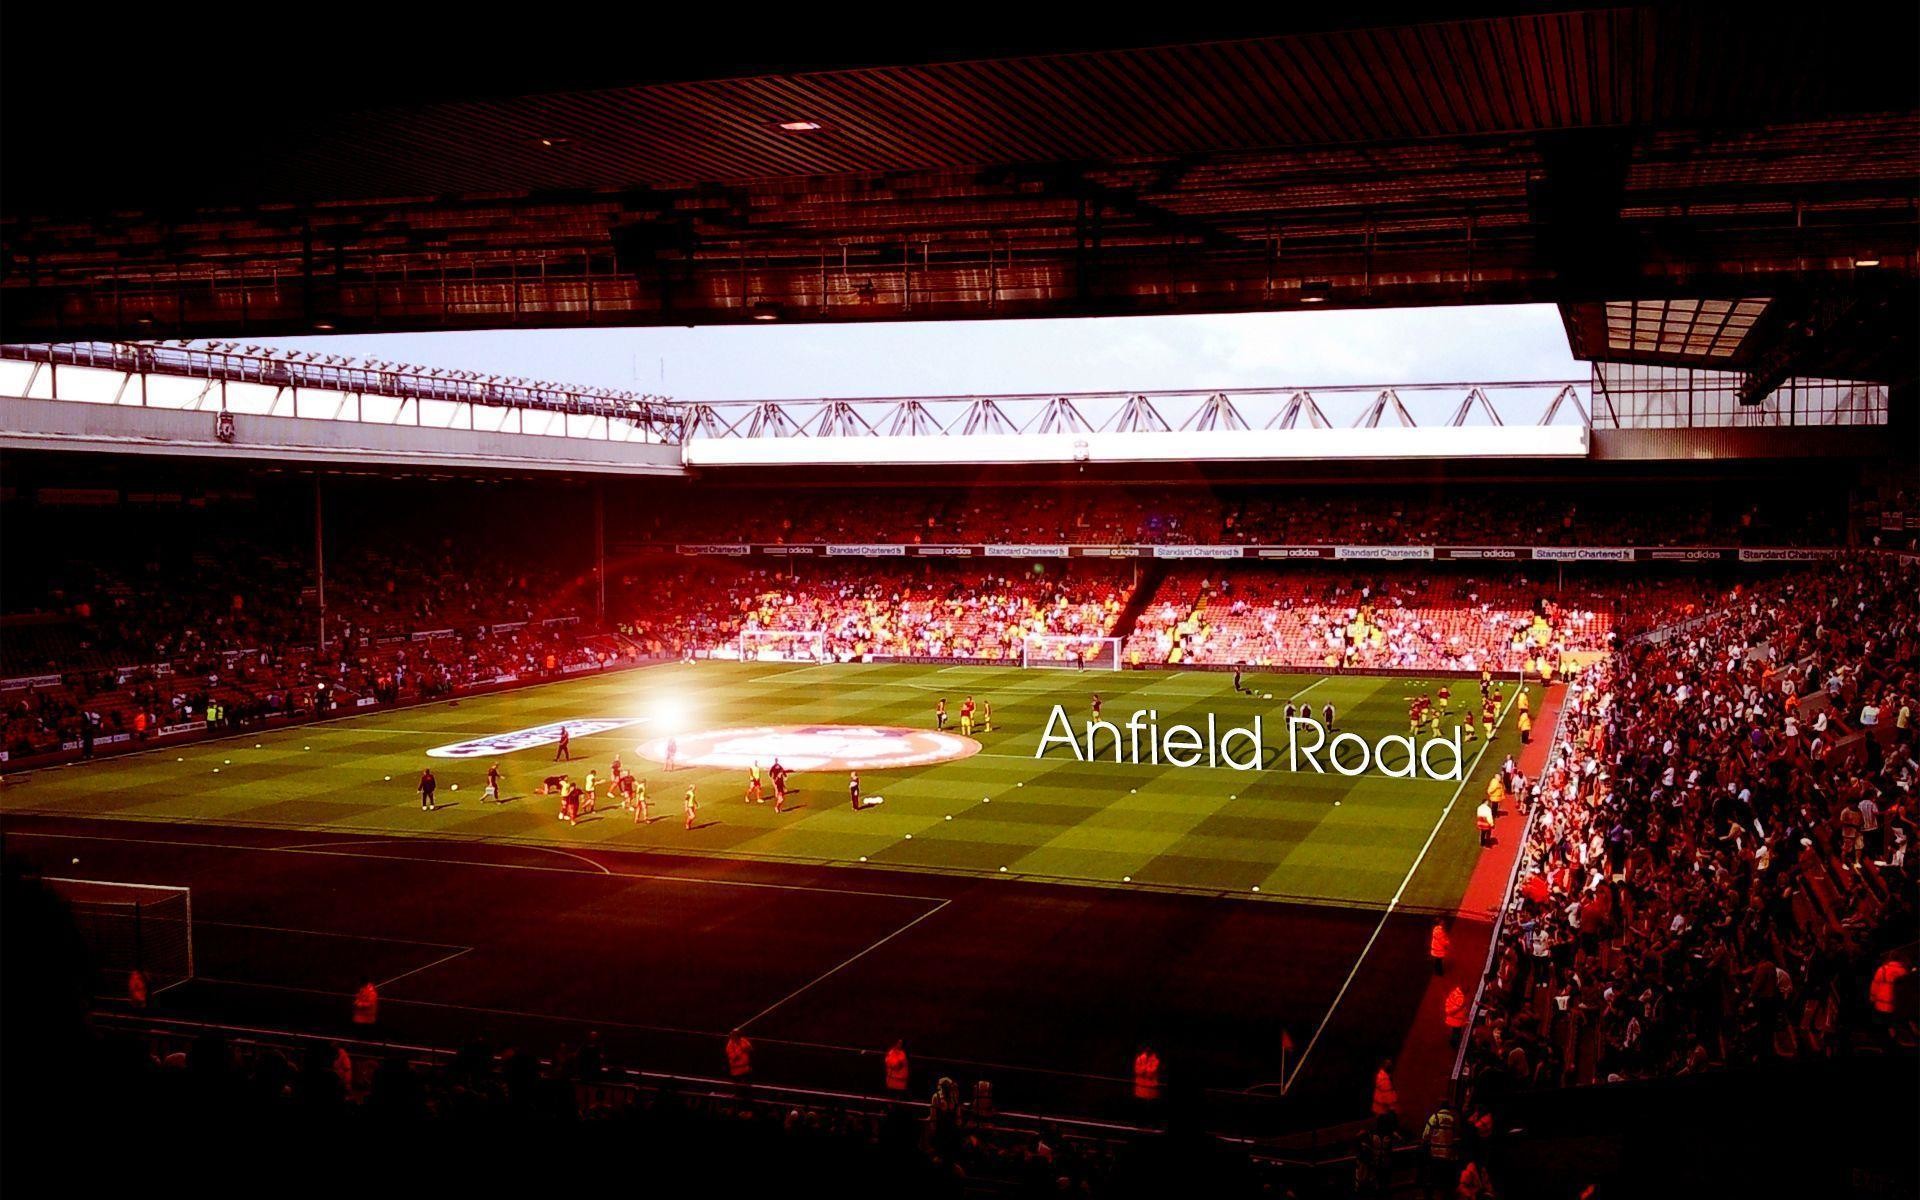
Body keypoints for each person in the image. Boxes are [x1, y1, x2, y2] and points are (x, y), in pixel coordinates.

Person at [724, 1029, 753, 1093]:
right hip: (736, 1071)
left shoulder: (743, 1040)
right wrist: (741, 1049)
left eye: (737, 1035)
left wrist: (744, 1049)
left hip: (745, 1069)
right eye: (733, 1036)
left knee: (747, 1089)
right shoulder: (729, 1045)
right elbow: (733, 1057)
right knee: (738, 1089)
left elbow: (750, 1048)